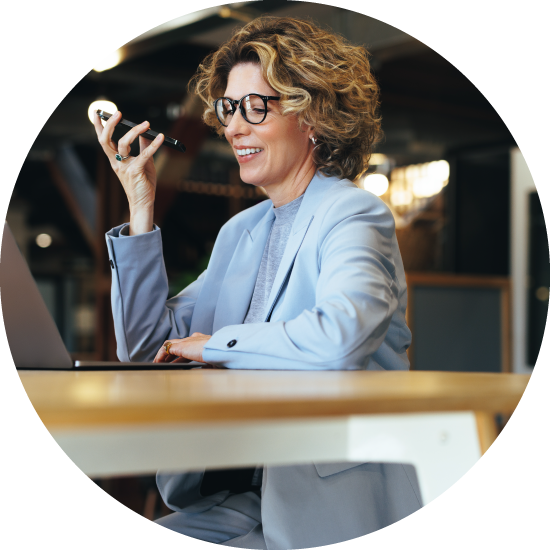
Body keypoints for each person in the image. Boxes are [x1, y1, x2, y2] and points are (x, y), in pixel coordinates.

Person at [94, 15, 422, 549]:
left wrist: (216, 346)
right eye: (228, 108)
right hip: (234, 494)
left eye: (254, 107)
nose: (234, 128)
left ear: (310, 114)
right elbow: (146, 348)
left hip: (324, 503)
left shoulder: (354, 215)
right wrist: (140, 208)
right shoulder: (242, 231)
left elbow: (341, 338)